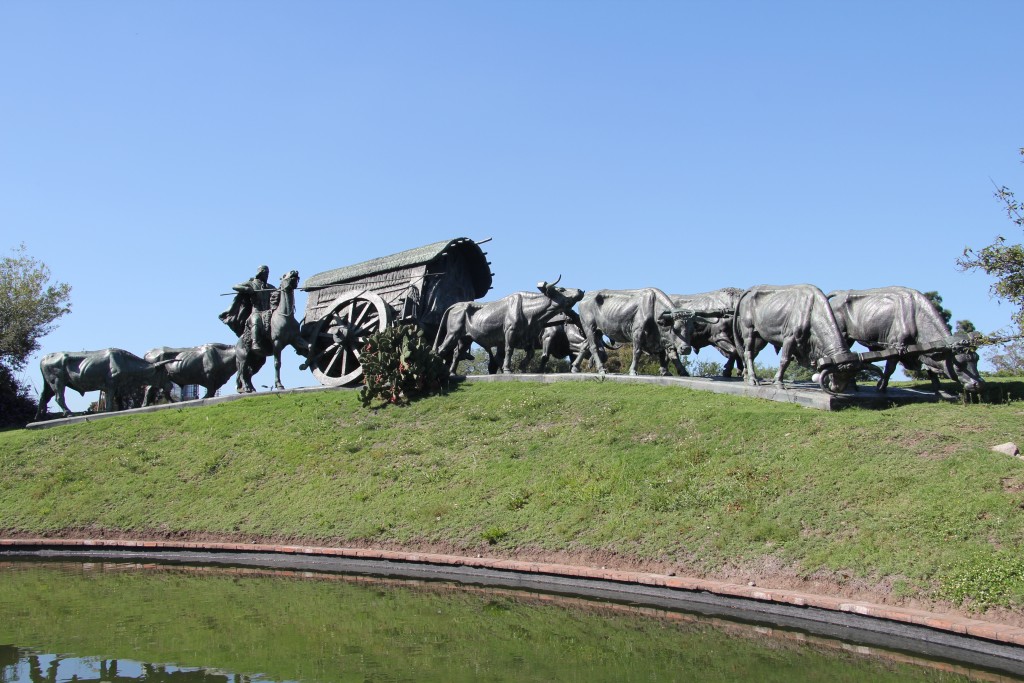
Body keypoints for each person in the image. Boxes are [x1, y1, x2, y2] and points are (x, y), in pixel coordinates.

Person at [219, 265, 272, 338]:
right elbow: (235, 286)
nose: (267, 275)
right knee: (256, 320)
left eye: (268, 273)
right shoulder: (251, 283)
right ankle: (254, 342)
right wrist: (246, 289)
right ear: (260, 273)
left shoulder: (269, 287)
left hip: (268, 312)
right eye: (265, 273)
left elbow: (278, 292)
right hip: (256, 311)